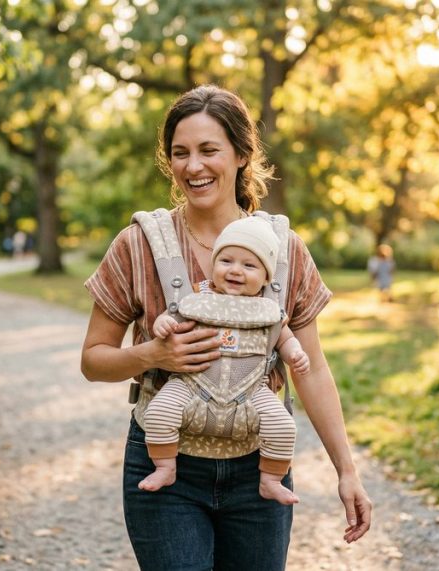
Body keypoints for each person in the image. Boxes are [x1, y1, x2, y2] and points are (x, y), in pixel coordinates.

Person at [81, 85, 371, 570]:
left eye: (208, 150)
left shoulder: (285, 251)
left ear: (241, 154)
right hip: (164, 466)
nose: (193, 166)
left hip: (260, 471)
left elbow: (312, 368)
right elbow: (93, 359)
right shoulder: (138, 245)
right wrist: (153, 355)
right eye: (180, 153)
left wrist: (347, 470)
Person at [141, 216, 310, 506]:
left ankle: (270, 480)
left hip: (251, 391)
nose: (235, 270)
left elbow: (285, 337)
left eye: (249, 265)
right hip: (191, 385)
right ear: (214, 264)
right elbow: (172, 316)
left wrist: (295, 353)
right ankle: (165, 467)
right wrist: (162, 325)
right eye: (226, 261)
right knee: (159, 411)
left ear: (267, 278)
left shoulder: (267, 310)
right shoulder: (197, 298)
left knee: (283, 426)